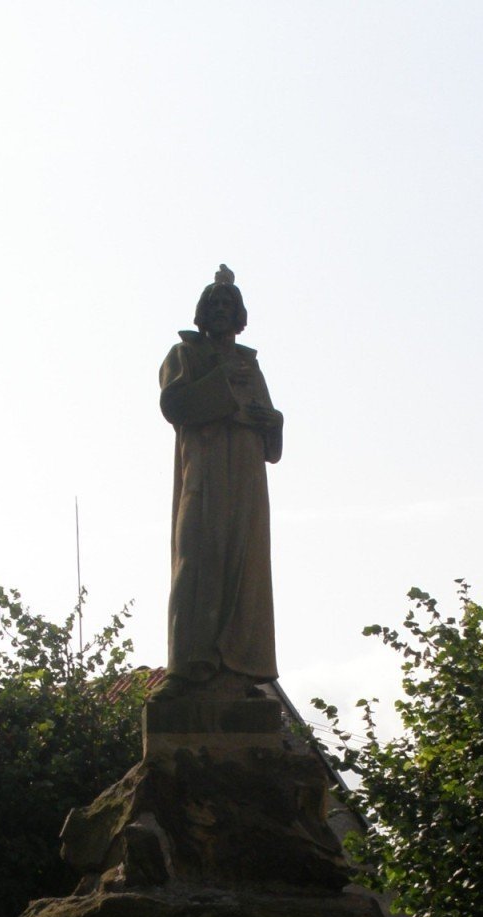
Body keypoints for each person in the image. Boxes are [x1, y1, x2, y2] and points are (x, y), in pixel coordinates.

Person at [157, 265, 283, 696]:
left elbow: (270, 435)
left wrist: (274, 421)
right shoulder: (185, 355)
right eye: (215, 304)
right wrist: (222, 385)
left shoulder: (250, 363)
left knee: (245, 566)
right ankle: (188, 667)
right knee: (197, 560)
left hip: (246, 477)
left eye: (229, 304)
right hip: (206, 472)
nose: (222, 311)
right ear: (202, 312)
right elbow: (175, 404)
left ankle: (241, 669)